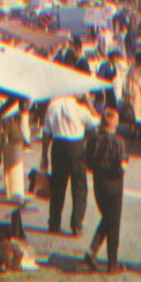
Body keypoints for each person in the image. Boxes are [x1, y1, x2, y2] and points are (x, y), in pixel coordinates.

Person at [40, 95, 99, 236]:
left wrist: (44, 155)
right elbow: (95, 122)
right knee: (79, 187)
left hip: (58, 146)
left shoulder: (52, 106)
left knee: (57, 187)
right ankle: (77, 224)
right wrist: (90, 104)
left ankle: (54, 223)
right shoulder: (80, 108)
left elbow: (46, 132)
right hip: (76, 147)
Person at [81, 108, 128, 274]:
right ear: (115, 123)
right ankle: (112, 263)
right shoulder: (118, 141)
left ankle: (92, 251)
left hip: (98, 182)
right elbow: (123, 165)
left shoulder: (93, 139)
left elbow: (84, 160)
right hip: (114, 183)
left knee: (107, 218)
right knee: (113, 222)